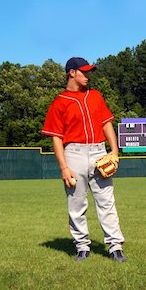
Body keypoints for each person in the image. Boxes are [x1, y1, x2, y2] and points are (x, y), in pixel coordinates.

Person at [41, 57, 126, 262]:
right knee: (76, 204)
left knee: (106, 201)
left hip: (98, 151)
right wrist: (64, 167)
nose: (88, 76)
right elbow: (56, 138)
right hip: (74, 153)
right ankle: (82, 246)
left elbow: (106, 124)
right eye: (84, 72)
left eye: (89, 72)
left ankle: (115, 247)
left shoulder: (95, 96)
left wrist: (113, 151)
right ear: (72, 73)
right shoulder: (59, 102)